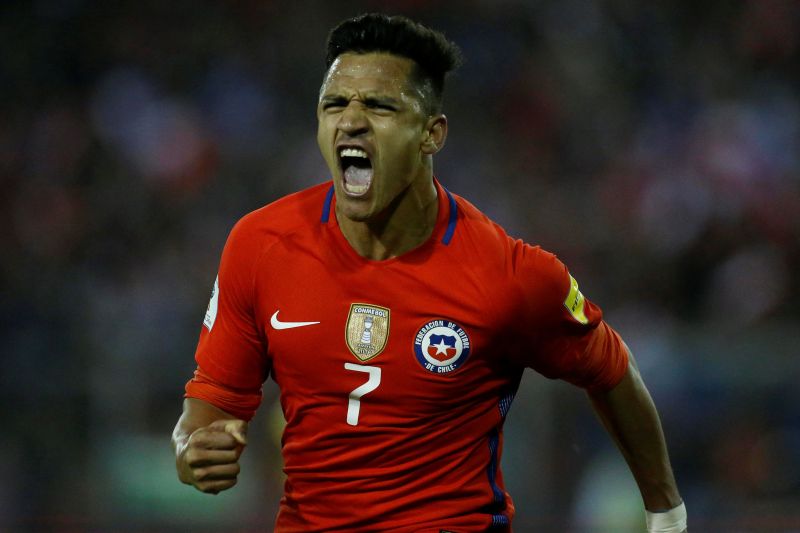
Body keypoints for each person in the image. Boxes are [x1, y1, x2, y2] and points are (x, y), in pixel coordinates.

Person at [172, 12, 687, 533]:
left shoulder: (508, 276)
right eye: (334, 104)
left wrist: (666, 513)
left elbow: (611, 371)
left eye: (379, 106)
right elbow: (211, 402)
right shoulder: (260, 246)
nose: (351, 121)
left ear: (430, 134)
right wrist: (193, 450)